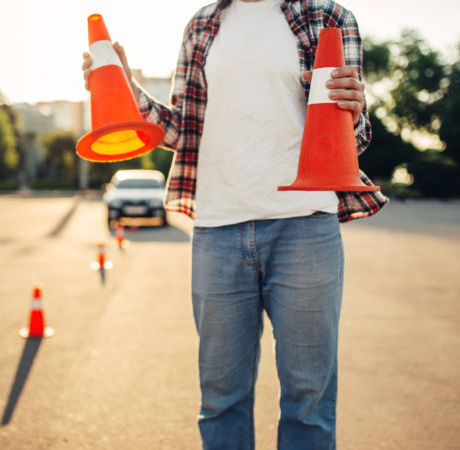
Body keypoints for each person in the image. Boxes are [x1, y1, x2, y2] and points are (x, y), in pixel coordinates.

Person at [82, 0, 388, 448]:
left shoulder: (328, 17)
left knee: (309, 400)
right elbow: (181, 129)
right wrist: (125, 84)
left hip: (304, 226)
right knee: (221, 398)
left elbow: (351, 138)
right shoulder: (203, 25)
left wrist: (355, 108)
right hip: (218, 227)